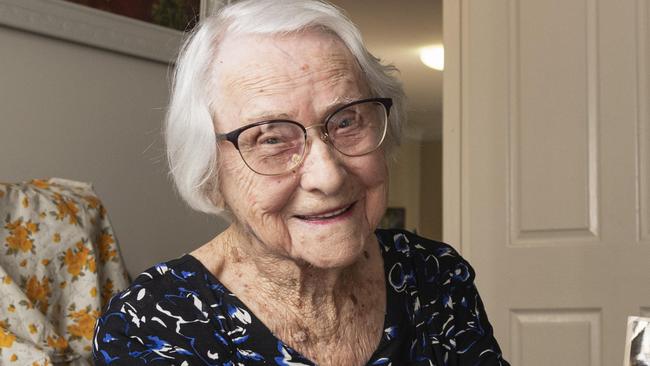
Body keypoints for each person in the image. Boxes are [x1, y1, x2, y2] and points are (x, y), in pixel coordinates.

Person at [92, 0, 510, 365]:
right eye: (271, 138)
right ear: (210, 171)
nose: (327, 176)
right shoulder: (153, 325)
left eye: (347, 121)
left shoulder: (433, 276)